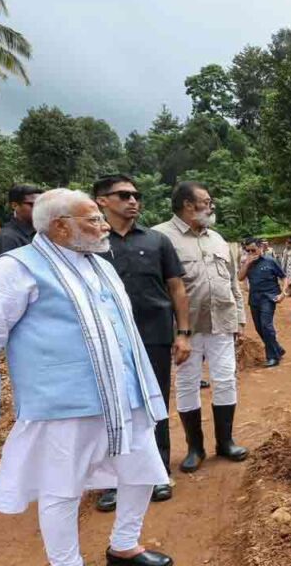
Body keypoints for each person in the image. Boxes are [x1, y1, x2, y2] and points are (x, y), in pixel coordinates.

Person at [0, 188, 172, 566]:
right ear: (59, 227)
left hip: (125, 391)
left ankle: (124, 545)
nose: (104, 225)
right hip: (65, 402)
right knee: (62, 488)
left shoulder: (100, 263)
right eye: (93, 219)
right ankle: (66, 562)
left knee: (141, 470)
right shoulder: (17, 267)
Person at [92, 174, 192, 511]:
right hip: (106, 341)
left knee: (154, 406)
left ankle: (158, 473)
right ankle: (114, 481)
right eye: (123, 195)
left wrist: (183, 333)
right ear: (101, 201)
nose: (133, 201)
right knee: (111, 408)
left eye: (136, 195)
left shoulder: (157, 241)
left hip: (154, 336)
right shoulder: (89, 244)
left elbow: (176, 287)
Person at [153, 181, 248, 473]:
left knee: (226, 379)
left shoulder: (217, 239)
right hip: (185, 329)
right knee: (187, 383)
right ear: (187, 205)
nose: (211, 205)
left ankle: (225, 441)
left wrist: (240, 318)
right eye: (206, 201)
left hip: (221, 322)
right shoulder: (160, 238)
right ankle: (195, 448)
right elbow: (159, 287)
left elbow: (232, 282)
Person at [238, 237, 289, 367]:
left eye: (253, 250)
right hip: (254, 298)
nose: (250, 253)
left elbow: (284, 277)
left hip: (269, 297)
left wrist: (283, 293)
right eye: (248, 251)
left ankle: (273, 357)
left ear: (261, 248)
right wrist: (247, 263)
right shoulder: (247, 263)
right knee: (259, 328)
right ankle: (277, 349)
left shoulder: (270, 261)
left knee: (266, 325)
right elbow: (240, 277)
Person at [0, 184, 44, 259]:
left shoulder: (41, 234)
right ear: (15, 205)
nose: (38, 208)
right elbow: (6, 269)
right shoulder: (6, 239)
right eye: (32, 204)